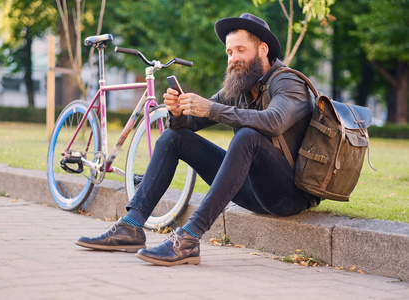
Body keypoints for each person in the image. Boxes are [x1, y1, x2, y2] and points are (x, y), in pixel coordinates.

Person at [76, 13, 315, 266]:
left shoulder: (289, 82)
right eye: (229, 52)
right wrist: (178, 113)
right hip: (252, 190)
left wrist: (210, 108)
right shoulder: (239, 88)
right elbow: (191, 124)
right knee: (172, 138)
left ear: (262, 49)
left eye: (240, 50)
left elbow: (274, 122)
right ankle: (131, 227)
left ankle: (189, 238)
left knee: (248, 137)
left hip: (288, 195)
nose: (233, 59)